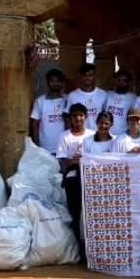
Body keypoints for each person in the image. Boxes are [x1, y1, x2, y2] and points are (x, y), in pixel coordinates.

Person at [56, 104, 94, 263]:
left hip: (91, 179)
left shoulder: (93, 135)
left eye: (81, 115)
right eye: (74, 116)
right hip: (72, 180)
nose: (78, 119)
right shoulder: (65, 137)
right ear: (70, 119)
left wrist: (79, 161)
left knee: (90, 215)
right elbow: (65, 161)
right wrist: (80, 161)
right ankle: (79, 251)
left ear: (86, 117)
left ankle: (92, 250)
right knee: (75, 213)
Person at [30, 68, 69, 154]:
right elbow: (35, 124)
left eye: (58, 81)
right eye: (52, 81)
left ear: (62, 83)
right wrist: (37, 144)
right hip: (45, 147)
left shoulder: (68, 99)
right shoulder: (40, 101)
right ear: (48, 83)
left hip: (64, 146)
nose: (55, 84)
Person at [67, 63, 107, 130]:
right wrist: (73, 132)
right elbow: (67, 116)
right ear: (80, 76)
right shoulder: (72, 96)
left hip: (98, 135)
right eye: (84, 75)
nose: (87, 78)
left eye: (90, 75)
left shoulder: (103, 94)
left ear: (94, 76)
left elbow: (106, 115)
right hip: (80, 136)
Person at [104, 68, 137, 137]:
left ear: (128, 82)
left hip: (123, 135)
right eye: (119, 80)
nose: (121, 83)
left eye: (124, 81)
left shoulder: (132, 98)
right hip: (106, 133)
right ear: (115, 81)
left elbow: (133, 117)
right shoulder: (107, 94)